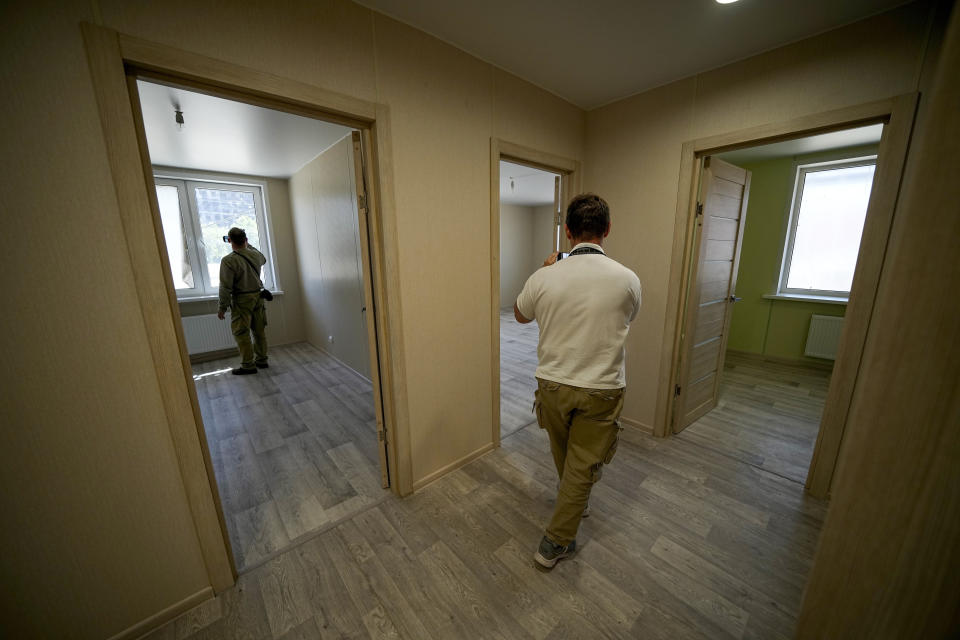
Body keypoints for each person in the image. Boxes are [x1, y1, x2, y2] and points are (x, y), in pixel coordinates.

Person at [514, 193, 641, 570]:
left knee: (565, 452)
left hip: (552, 383)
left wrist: (545, 270)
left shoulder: (544, 276)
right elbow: (628, 318)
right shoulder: (628, 280)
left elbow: (520, 316)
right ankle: (556, 542)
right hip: (602, 387)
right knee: (581, 462)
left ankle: (575, 499)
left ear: (567, 231)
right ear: (607, 229)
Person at [217, 227, 269, 375]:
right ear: (246, 240)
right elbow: (263, 259)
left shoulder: (228, 260)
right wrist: (248, 244)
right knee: (259, 330)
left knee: (241, 333)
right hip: (258, 298)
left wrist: (222, 308)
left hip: (241, 301)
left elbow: (225, 286)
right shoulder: (255, 255)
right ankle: (262, 360)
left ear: (230, 241)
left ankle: (248, 365)